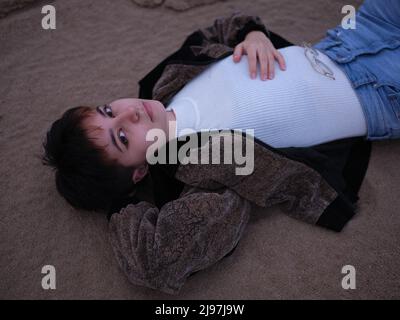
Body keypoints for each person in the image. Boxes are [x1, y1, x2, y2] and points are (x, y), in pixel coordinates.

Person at [41, 1, 397, 294]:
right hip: (377, 97)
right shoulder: (204, 171)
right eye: (122, 137)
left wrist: (252, 34)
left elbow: (220, 28)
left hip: (347, 40)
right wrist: (118, 202)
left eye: (107, 111)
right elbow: (157, 261)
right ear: (139, 169)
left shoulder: (166, 80)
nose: (130, 113)